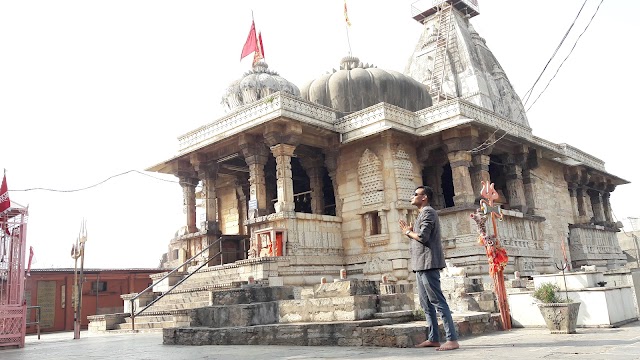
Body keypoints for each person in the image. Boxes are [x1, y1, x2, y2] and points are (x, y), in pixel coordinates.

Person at [399, 185, 459, 351]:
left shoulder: (428, 212)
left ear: (424, 197)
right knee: (426, 304)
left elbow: (423, 237)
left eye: (415, 194)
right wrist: (411, 231)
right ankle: (433, 338)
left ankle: (452, 339)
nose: (412, 196)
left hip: (428, 263)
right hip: (420, 265)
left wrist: (407, 232)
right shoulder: (422, 214)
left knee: (438, 301)